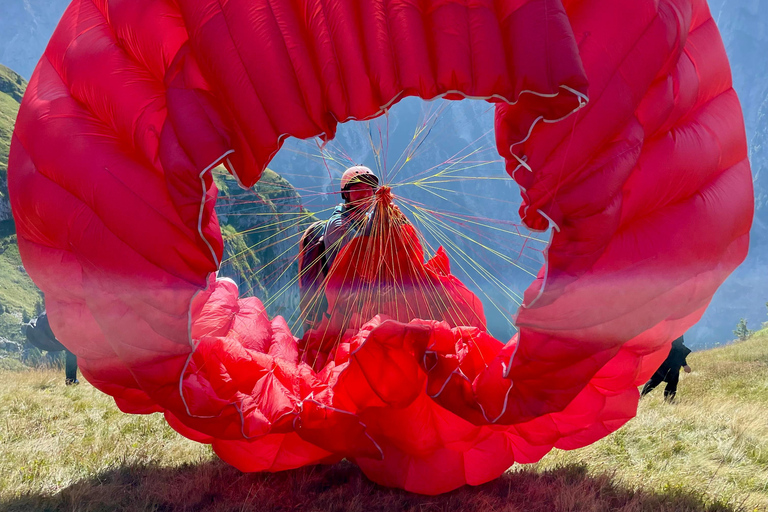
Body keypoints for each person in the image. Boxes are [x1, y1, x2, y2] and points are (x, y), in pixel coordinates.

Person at [298, 166, 379, 329]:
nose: (365, 194)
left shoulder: (364, 219)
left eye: (369, 189)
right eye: (358, 189)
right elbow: (361, 260)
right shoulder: (338, 225)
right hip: (338, 313)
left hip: (357, 304)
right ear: (346, 194)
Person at [25, 312, 79, 385]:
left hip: (34, 331)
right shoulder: (65, 314)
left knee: (72, 349)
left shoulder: (56, 310)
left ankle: (71, 380)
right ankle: (71, 380)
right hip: (43, 334)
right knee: (72, 350)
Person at [640, 335, 692, 402]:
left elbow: (678, 352)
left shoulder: (672, 336)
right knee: (657, 380)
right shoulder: (674, 339)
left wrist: (685, 365)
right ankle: (668, 400)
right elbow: (678, 352)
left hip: (670, 365)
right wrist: (685, 365)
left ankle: (668, 400)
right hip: (666, 364)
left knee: (669, 382)